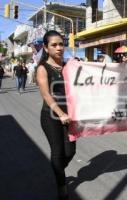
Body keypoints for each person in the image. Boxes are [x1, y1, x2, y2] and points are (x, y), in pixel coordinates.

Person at [36, 30, 76, 200]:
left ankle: (58, 168)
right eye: (54, 45)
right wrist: (60, 114)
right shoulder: (42, 68)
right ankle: (61, 185)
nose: (59, 47)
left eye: (61, 44)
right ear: (46, 48)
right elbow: (46, 94)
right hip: (50, 117)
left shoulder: (69, 66)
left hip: (70, 117)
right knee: (58, 152)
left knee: (70, 152)